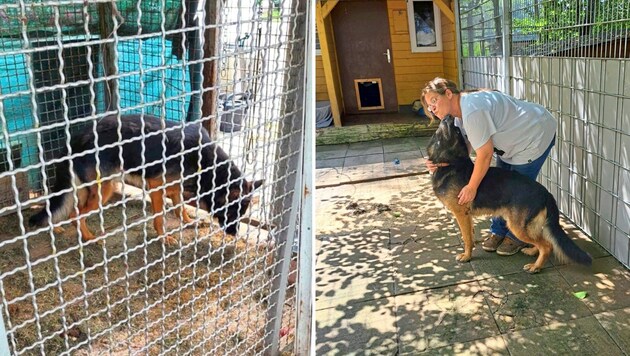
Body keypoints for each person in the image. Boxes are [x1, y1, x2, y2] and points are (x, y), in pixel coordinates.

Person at [421, 77, 557, 256]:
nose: (433, 109)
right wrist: (440, 164)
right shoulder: (457, 114)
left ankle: (516, 237)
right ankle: (499, 231)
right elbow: (467, 147)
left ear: (448, 94)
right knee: (501, 187)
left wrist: (471, 186)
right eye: (429, 107)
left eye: (434, 101)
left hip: (533, 135)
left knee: (516, 192)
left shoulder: (472, 110)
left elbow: (484, 154)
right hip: (508, 142)